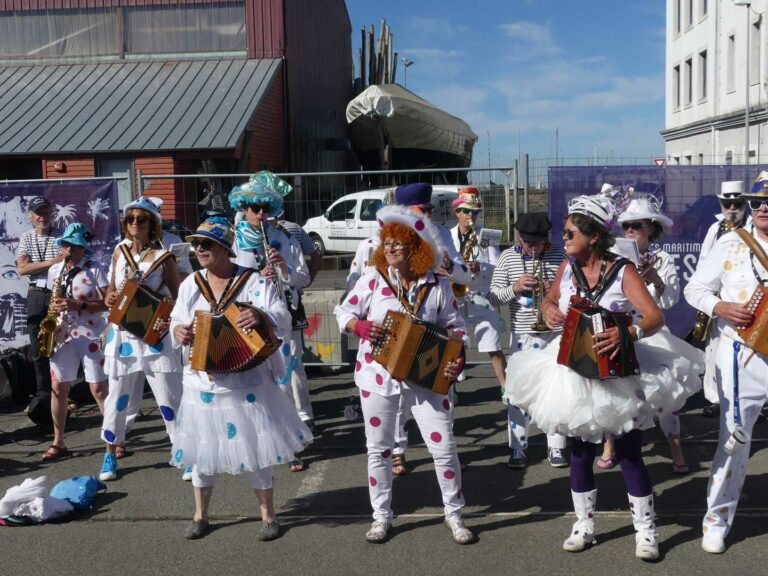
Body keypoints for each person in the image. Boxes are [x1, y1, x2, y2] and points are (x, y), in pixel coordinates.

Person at [505, 186, 698, 561]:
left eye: (570, 233)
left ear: (594, 236)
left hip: (616, 370)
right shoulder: (567, 266)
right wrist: (548, 310)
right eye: (564, 232)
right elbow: (548, 299)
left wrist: (627, 331)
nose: (563, 238)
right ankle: (584, 525)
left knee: (628, 452)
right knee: (580, 451)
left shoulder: (622, 270)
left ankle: (645, 531)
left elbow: (655, 317)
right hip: (573, 368)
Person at [335, 205, 474, 545]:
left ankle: (454, 514)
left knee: (444, 449)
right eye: (387, 242)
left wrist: (457, 359)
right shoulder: (371, 279)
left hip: (426, 379)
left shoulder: (437, 285)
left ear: (418, 247)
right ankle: (381, 516)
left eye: (400, 241)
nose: (391, 247)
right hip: (376, 377)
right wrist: (360, 325)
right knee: (378, 450)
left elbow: (457, 329)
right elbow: (343, 311)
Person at [169, 217, 310, 540]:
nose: (199, 249)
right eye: (196, 244)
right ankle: (200, 515)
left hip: (247, 378)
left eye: (206, 244)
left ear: (225, 249)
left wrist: (260, 316)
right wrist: (179, 330)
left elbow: (282, 318)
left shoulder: (252, 282)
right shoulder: (192, 283)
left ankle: (268, 516)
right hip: (202, 380)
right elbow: (176, 319)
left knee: (257, 447)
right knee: (202, 450)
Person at [683, 172, 768, 554]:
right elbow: (694, 288)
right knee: (735, 439)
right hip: (743, 354)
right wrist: (719, 306)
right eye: (758, 201)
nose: (764, 207)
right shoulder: (731, 243)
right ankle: (716, 520)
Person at [597, 195, 703, 474]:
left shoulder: (663, 258)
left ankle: (676, 449)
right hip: (620, 329)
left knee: (665, 395)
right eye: (626, 225)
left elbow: (669, 301)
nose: (630, 230)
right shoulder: (613, 257)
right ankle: (609, 446)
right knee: (614, 390)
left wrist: (653, 279)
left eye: (637, 225)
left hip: (652, 330)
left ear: (651, 228)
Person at [229, 171, 312, 471]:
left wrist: (283, 268)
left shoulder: (284, 238)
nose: (261, 213)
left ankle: (291, 446)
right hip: (245, 318)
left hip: (279, 316)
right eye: (255, 207)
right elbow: (225, 279)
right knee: (250, 380)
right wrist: (253, 276)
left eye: (266, 207)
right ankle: (254, 444)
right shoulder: (232, 241)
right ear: (244, 207)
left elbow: (303, 278)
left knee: (285, 377)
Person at [99, 197, 183, 481]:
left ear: (153, 225)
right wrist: (109, 297)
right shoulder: (118, 251)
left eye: (142, 219)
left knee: (169, 397)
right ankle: (110, 453)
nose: (135, 223)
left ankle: (184, 451)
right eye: (130, 219)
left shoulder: (164, 256)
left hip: (153, 336)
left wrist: (167, 314)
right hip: (122, 335)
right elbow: (110, 289)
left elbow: (178, 295)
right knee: (116, 399)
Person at [490, 213, 568, 469]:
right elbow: (493, 297)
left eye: (537, 243)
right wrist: (515, 288)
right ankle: (517, 449)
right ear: (518, 237)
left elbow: (572, 292)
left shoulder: (560, 256)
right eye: (527, 243)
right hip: (523, 335)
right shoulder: (507, 257)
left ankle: (556, 446)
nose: (532, 248)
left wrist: (552, 289)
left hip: (555, 332)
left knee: (556, 391)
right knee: (518, 393)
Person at [41, 223, 109, 460]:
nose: (68, 249)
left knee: (98, 388)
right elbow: (53, 299)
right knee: (58, 388)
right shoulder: (55, 271)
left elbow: (109, 303)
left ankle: (113, 438)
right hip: (62, 334)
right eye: (66, 244)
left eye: (73, 245)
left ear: (83, 248)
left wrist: (77, 304)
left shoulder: (95, 269)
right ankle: (58, 441)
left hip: (90, 334)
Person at [696, 181, 751, 419]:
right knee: (713, 351)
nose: (731, 207)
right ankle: (716, 399)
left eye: (736, 203)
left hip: (747, 301)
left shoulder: (753, 226)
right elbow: (703, 261)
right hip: (719, 301)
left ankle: (750, 401)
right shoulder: (715, 228)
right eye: (726, 203)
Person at [448, 187, 505, 387]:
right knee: (453, 346)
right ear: (457, 212)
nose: (471, 215)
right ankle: (450, 389)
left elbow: (499, 267)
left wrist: (481, 266)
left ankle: (506, 389)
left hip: (481, 298)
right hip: (455, 298)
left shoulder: (486, 235)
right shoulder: (447, 236)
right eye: (466, 211)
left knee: (494, 345)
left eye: (475, 212)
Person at [16, 196, 63, 397]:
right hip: (35, 291)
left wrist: (36, 266)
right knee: (38, 345)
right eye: (38, 212)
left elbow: (66, 261)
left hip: (58, 290)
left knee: (61, 342)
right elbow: (22, 269)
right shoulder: (26, 237)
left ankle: (64, 391)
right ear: (31, 216)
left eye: (46, 211)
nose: (42, 216)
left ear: (51, 213)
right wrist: (53, 261)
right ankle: (43, 394)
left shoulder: (62, 234)